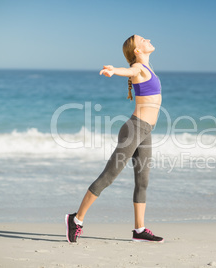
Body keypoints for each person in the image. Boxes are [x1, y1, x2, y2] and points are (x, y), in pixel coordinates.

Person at [65, 34, 163, 243]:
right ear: (137, 51)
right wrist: (114, 70)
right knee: (108, 177)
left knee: (142, 181)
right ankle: (76, 219)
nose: (147, 40)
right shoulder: (138, 67)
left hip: (145, 131)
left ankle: (139, 230)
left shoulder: (148, 68)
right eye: (142, 39)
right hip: (134, 130)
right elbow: (129, 70)